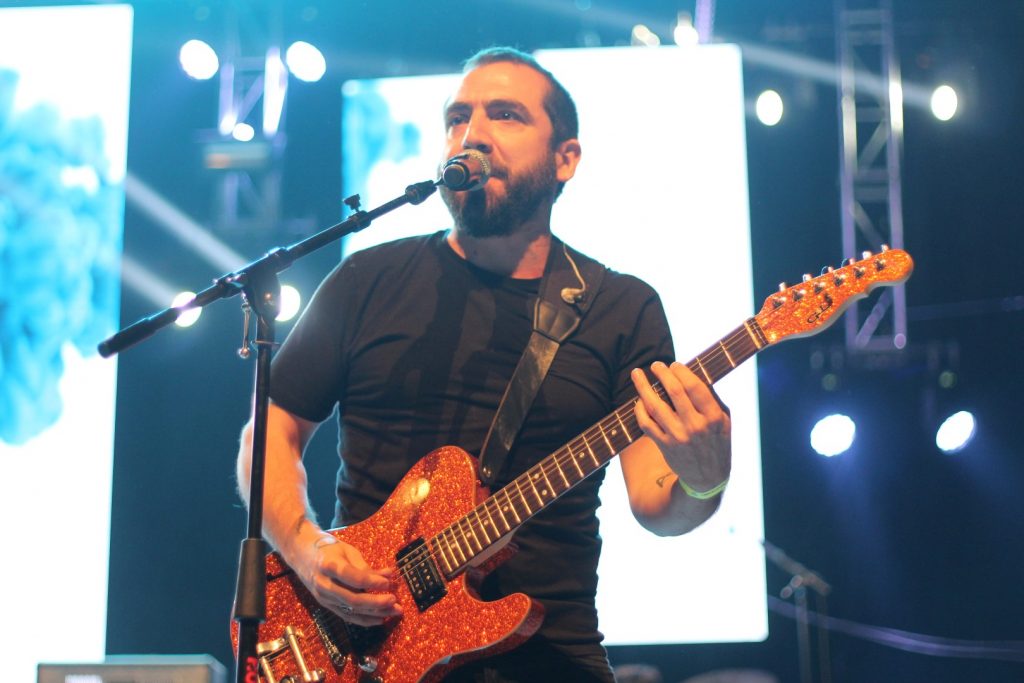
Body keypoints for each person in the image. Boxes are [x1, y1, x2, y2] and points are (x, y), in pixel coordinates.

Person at [236, 46, 732, 683]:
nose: (472, 134)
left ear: (565, 158)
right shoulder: (367, 279)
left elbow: (658, 504)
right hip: (359, 652)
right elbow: (270, 432)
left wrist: (704, 480)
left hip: (547, 660)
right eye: (457, 118)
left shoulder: (621, 308)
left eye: (506, 114)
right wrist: (306, 551)